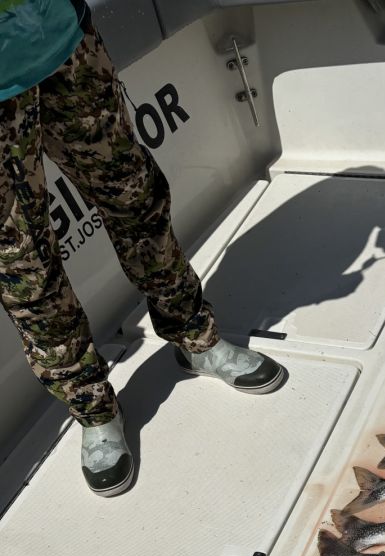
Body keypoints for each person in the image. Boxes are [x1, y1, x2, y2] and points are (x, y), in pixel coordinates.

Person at [0, 0, 287, 497]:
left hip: (63, 42)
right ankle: (94, 410)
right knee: (26, 270)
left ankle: (195, 339)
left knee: (136, 199)